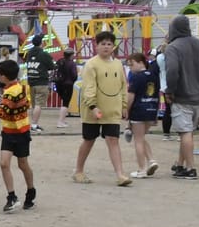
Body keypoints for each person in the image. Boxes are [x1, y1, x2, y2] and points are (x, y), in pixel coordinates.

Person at [71, 30, 134, 186]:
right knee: (89, 140)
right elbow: (88, 87)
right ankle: (78, 171)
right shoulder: (91, 64)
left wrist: (124, 105)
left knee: (113, 140)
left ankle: (120, 174)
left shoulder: (118, 64)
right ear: (96, 46)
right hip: (93, 110)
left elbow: (123, 85)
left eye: (109, 44)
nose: (106, 47)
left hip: (112, 110)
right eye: (103, 44)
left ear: (113, 46)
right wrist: (93, 106)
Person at [163, 15, 199, 178]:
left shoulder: (173, 47)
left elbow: (172, 71)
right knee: (187, 132)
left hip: (181, 96)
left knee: (185, 133)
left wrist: (169, 91)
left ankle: (190, 168)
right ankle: (180, 164)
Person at [0, 58, 36, 213]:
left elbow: (3, 113)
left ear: (4, 76)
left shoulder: (13, 92)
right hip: (10, 132)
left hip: (19, 132)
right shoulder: (21, 88)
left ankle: (30, 191)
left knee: (22, 164)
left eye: (0, 74)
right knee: (5, 163)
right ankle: (12, 196)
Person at [124, 51, 162, 177]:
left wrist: (126, 110)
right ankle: (151, 160)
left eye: (132, 64)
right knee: (141, 137)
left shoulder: (136, 77)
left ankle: (142, 169)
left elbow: (131, 96)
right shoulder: (154, 75)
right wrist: (156, 113)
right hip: (151, 109)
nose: (131, 68)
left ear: (141, 62)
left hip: (138, 110)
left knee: (138, 140)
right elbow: (157, 94)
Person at [52, 50, 79, 132]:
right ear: (71, 55)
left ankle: (62, 121)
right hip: (68, 84)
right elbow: (74, 75)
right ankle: (60, 122)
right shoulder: (72, 63)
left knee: (64, 101)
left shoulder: (59, 61)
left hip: (58, 83)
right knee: (65, 103)